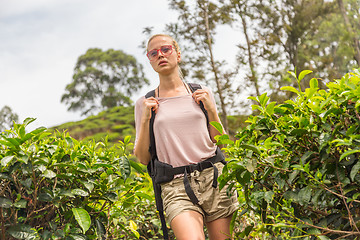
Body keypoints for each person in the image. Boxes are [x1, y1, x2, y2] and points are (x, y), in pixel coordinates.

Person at [134, 34, 238, 240]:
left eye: (166, 49)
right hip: (175, 185)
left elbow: (220, 141)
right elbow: (142, 158)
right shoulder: (144, 103)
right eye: (153, 53)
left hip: (214, 177)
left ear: (178, 54)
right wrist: (146, 120)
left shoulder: (201, 92)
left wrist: (211, 110)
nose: (160, 55)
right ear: (150, 60)